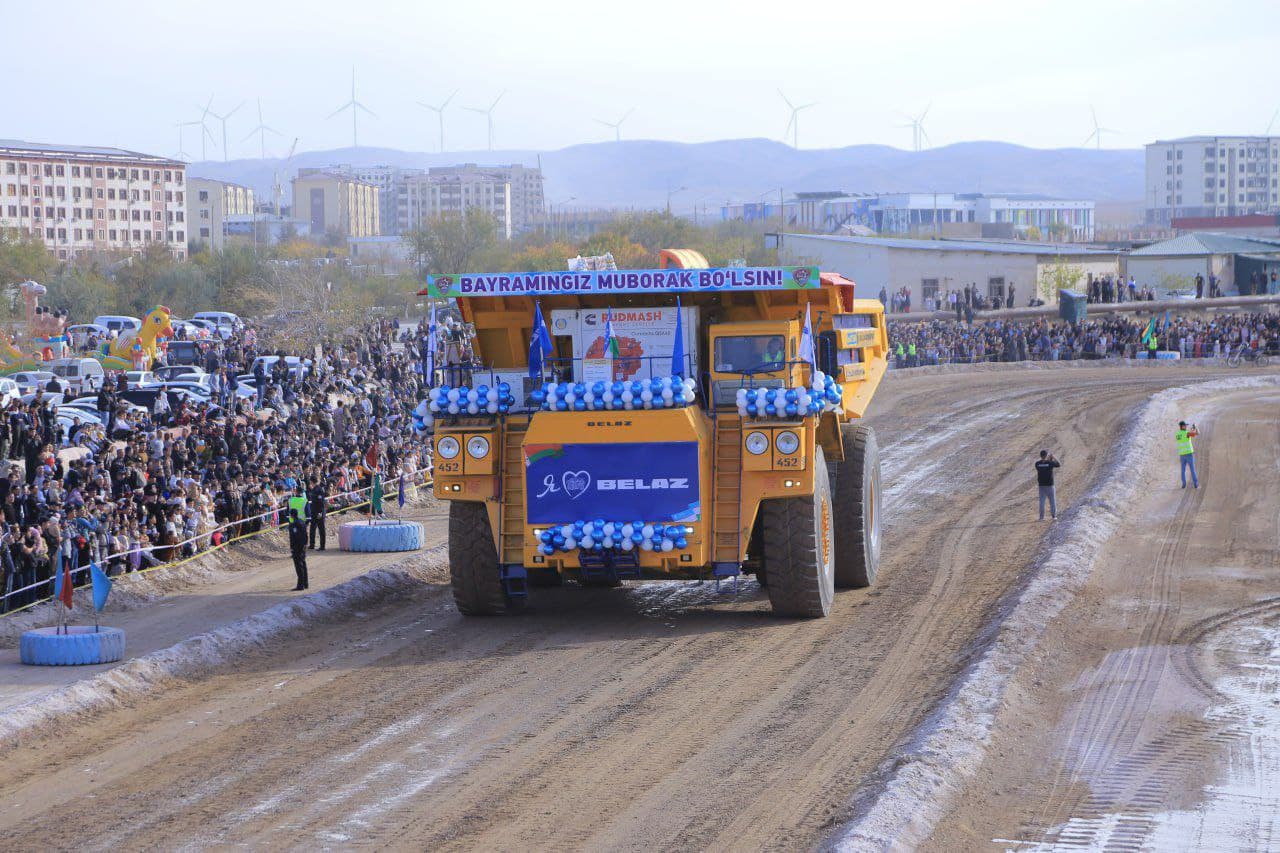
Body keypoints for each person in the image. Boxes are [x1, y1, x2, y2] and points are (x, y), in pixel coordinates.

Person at [1035, 450, 1060, 520]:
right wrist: (1053, 457)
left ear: (1040, 456)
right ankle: (1054, 516)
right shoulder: (1050, 463)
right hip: (1050, 485)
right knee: (1052, 501)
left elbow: (1043, 465)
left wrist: (1048, 460)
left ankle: (1041, 517)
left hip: (1041, 486)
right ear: (1046, 455)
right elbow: (1058, 464)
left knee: (1042, 502)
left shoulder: (1037, 464)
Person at [288, 508, 308, 591]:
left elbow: (295, 537)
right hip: (303, 546)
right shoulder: (302, 522)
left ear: (291, 515)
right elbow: (306, 534)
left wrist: (293, 548)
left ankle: (300, 585)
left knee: (299, 566)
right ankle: (305, 583)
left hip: (297, 547)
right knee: (303, 564)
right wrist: (305, 544)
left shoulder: (294, 525)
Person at [1176, 420, 1199, 488]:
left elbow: (1184, 437)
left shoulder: (1177, 434)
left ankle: (1183, 484)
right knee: (1192, 469)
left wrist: (1191, 430)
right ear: (1182, 426)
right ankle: (1195, 484)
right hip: (1189, 454)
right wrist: (1196, 428)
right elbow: (1197, 433)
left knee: (1183, 470)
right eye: (1185, 425)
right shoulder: (1187, 433)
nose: (1186, 426)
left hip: (1182, 455)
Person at [307, 475, 328, 551]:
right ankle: (312, 545)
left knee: (321, 529)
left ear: (312, 482)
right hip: (314, 511)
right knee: (312, 528)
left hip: (319, 512)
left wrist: (320, 513)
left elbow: (321, 502)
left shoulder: (319, 490)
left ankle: (322, 546)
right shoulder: (314, 489)